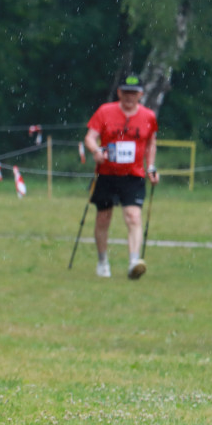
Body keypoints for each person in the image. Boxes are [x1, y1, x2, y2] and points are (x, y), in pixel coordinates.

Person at [83, 74, 159, 279]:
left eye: (133, 93)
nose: (129, 97)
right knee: (103, 218)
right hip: (106, 174)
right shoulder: (104, 112)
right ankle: (102, 261)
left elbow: (151, 142)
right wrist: (96, 151)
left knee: (133, 216)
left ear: (140, 95)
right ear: (119, 93)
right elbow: (90, 137)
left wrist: (151, 167)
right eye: (125, 92)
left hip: (133, 175)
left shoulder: (148, 116)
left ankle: (134, 261)